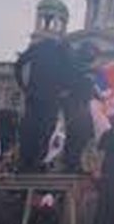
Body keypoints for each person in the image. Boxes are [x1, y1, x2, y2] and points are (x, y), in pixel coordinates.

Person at [14, 37, 71, 172]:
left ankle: (24, 163)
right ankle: (37, 162)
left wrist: (24, 87)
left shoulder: (36, 49)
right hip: (51, 98)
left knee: (30, 129)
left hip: (34, 96)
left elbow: (18, 65)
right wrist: (64, 90)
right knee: (45, 131)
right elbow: (71, 73)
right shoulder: (62, 51)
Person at [62, 43, 98, 173]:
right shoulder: (75, 66)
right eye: (91, 52)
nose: (93, 56)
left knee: (85, 136)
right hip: (75, 107)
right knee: (75, 136)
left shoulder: (87, 69)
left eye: (94, 53)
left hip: (85, 107)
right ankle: (70, 164)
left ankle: (79, 163)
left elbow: (92, 92)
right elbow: (71, 86)